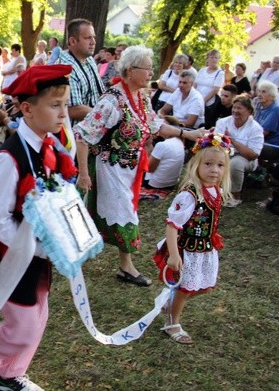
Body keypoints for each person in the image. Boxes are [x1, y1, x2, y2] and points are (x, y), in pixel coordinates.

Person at [0, 64, 75, 391]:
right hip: (9, 256)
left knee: (37, 318)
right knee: (20, 326)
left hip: (38, 253)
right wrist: (35, 247)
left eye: (65, 104)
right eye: (55, 105)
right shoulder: (9, 158)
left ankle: (9, 376)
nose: (64, 113)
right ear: (26, 109)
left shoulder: (49, 148)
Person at [74, 45, 205, 287]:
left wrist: (189, 133)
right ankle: (126, 267)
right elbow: (83, 135)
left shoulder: (141, 98)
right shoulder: (111, 101)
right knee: (124, 214)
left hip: (130, 169)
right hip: (110, 166)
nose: (151, 73)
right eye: (147, 68)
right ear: (130, 70)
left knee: (107, 212)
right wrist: (83, 173)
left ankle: (73, 250)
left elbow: (157, 126)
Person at [153, 132, 232, 344]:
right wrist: (174, 255)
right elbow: (172, 226)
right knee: (185, 288)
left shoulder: (216, 190)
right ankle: (172, 323)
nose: (214, 170)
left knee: (202, 286)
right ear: (196, 164)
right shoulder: (190, 195)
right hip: (188, 250)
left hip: (205, 248)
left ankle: (171, 302)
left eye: (220, 165)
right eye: (208, 164)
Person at [214, 94, 264, 208]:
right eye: (234, 107)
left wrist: (233, 140)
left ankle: (235, 195)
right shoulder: (223, 122)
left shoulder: (256, 128)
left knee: (235, 163)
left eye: (239, 108)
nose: (235, 111)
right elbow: (216, 143)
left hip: (245, 158)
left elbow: (253, 155)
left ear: (249, 111)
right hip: (224, 153)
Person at [56, 18, 105, 124]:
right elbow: (73, 109)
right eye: (88, 38)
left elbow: (99, 92)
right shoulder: (65, 68)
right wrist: (104, 116)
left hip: (91, 129)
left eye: (93, 37)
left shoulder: (89, 59)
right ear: (72, 41)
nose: (93, 42)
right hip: (74, 135)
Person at [144, 116, 185, 191]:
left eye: (161, 127)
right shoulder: (179, 141)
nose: (158, 129)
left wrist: (148, 146)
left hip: (155, 184)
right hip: (171, 183)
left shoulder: (162, 145)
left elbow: (149, 169)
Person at [254, 81, 279, 163]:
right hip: (262, 142)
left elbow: (264, 132)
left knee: (247, 146)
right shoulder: (260, 105)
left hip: (274, 146)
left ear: (272, 95)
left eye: (263, 92)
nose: (259, 94)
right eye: (259, 91)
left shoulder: (276, 108)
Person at [194, 49, 225, 127]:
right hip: (196, 100)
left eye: (216, 57)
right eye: (211, 57)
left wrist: (203, 101)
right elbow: (195, 84)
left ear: (218, 59)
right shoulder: (202, 70)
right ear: (207, 58)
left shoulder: (220, 73)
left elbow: (215, 90)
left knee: (204, 124)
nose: (213, 60)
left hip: (209, 104)